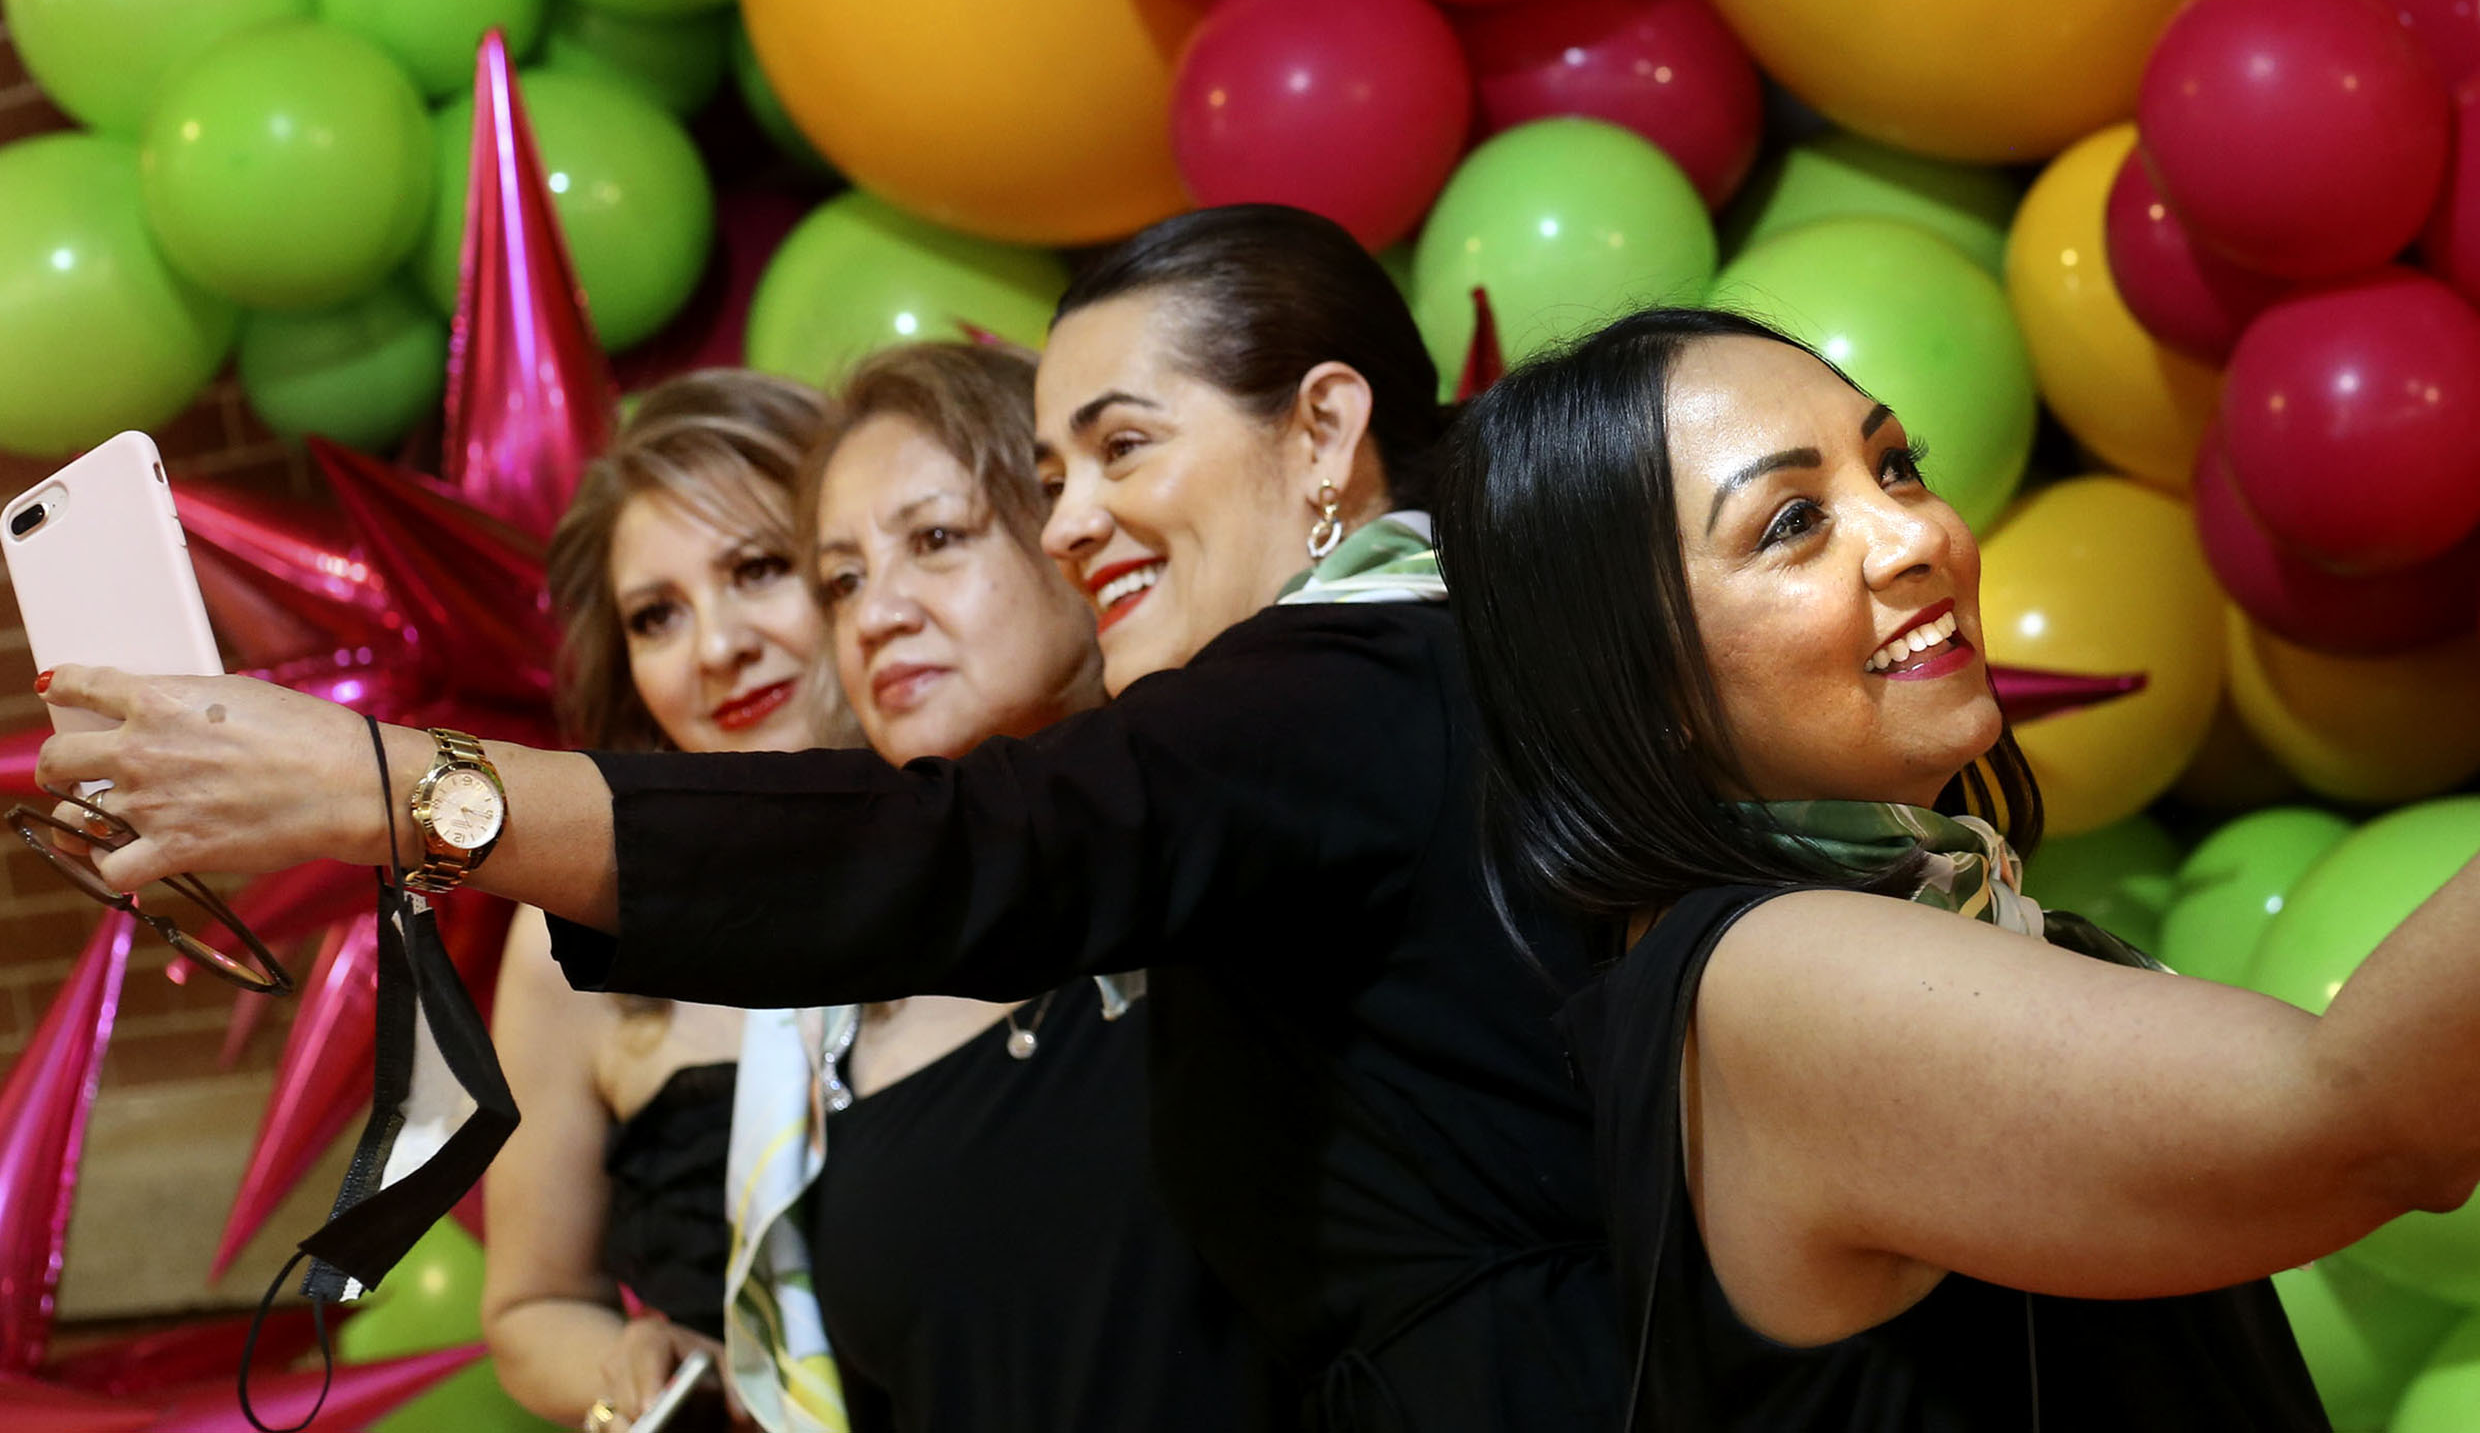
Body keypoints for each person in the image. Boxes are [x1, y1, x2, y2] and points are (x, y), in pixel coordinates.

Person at [37, 207, 1618, 1432]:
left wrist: (375, 784)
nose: (1081, 520)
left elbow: (957, 844)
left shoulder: (1340, 685)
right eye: (845, 569)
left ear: (1324, 428)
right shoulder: (859, 991)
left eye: (942, 533)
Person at [1430, 195, 2480, 1431]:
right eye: (1792, 521)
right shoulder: (1768, 978)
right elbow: (2369, 1121)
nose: (1919, 535)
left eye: (1894, 463)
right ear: (1637, 674)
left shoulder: (1855, 919)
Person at [788, 340, 1278, 1433]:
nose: (878, 615)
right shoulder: (830, 1012)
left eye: (936, 540)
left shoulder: (1246, 850)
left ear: (1075, 533)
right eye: (843, 580)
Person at [482, 370, 849, 1433]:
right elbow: (531, 1306)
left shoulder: (1030, 830)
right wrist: (641, 1375)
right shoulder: (576, 928)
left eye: (761, 568)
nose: (718, 649)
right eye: (658, 617)